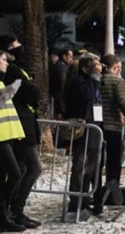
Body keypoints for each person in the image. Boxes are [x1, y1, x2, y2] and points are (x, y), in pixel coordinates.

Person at [0, 37, 43, 229]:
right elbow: (32, 92)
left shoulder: (10, 73)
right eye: (16, 45)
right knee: (28, 170)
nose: (21, 48)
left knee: (22, 170)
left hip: (14, 131)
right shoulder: (13, 71)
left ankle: (11, 213)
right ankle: (12, 212)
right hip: (12, 133)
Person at [62, 53, 104, 222]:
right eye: (97, 65)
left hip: (94, 131)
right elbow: (86, 99)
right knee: (80, 168)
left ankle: (85, 201)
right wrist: (94, 81)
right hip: (83, 132)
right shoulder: (80, 82)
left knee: (90, 170)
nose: (100, 67)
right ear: (87, 68)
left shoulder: (91, 82)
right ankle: (76, 205)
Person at [99, 54, 125, 205]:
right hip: (113, 124)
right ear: (115, 67)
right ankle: (112, 183)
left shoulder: (97, 79)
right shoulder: (117, 81)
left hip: (98, 125)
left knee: (100, 159)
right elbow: (123, 103)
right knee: (114, 158)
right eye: (119, 68)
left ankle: (100, 190)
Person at [0, 50, 26, 232]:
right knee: (15, 173)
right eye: (2, 60)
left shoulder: (1, 82)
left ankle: (4, 215)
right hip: (1, 139)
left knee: (6, 176)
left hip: (7, 136)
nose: (6, 63)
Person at [51, 48, 74, 118]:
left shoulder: (60, 67)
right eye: (70, 57)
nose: (71, 59)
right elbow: (62, 85)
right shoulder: (61, 68)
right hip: (60, 102)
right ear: (64, 56)